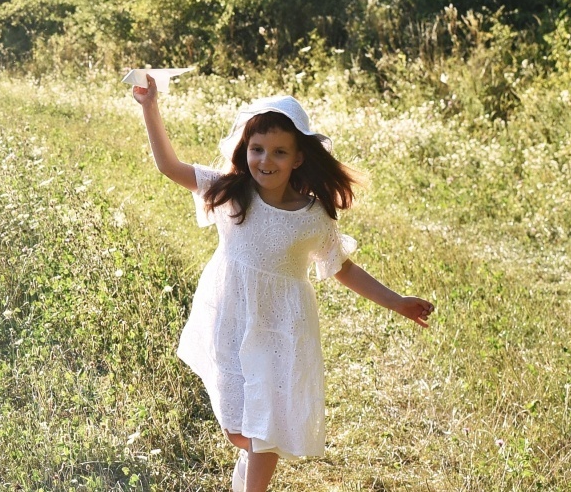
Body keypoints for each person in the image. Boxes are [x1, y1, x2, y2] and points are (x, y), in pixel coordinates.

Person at [130, 77, 435, 491]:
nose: (265, 160)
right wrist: (150, 106)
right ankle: (246, 468)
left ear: (297, 158)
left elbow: (341, 268)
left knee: (266, 430)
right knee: (240, 430)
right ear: (245, 149)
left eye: (278, 152)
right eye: (257, 149)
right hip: (232, 318)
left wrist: (397, 302)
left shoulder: (311, 215)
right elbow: (169, 167)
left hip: (283, 328)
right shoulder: (232, 193)